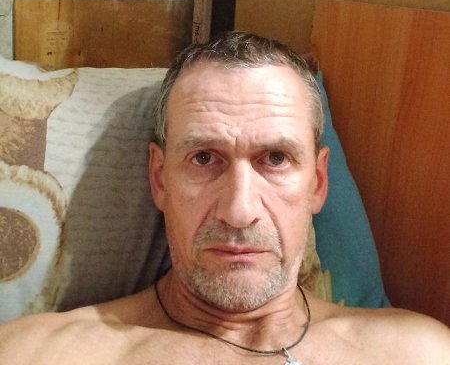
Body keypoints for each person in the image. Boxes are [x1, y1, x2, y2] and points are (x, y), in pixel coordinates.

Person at [0, 31, 448, 364]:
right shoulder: (38, 355)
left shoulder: (416, 353)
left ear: (317, 182)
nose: (239, 211)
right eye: (204, 158)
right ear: (159, 179)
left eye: (275, 158)